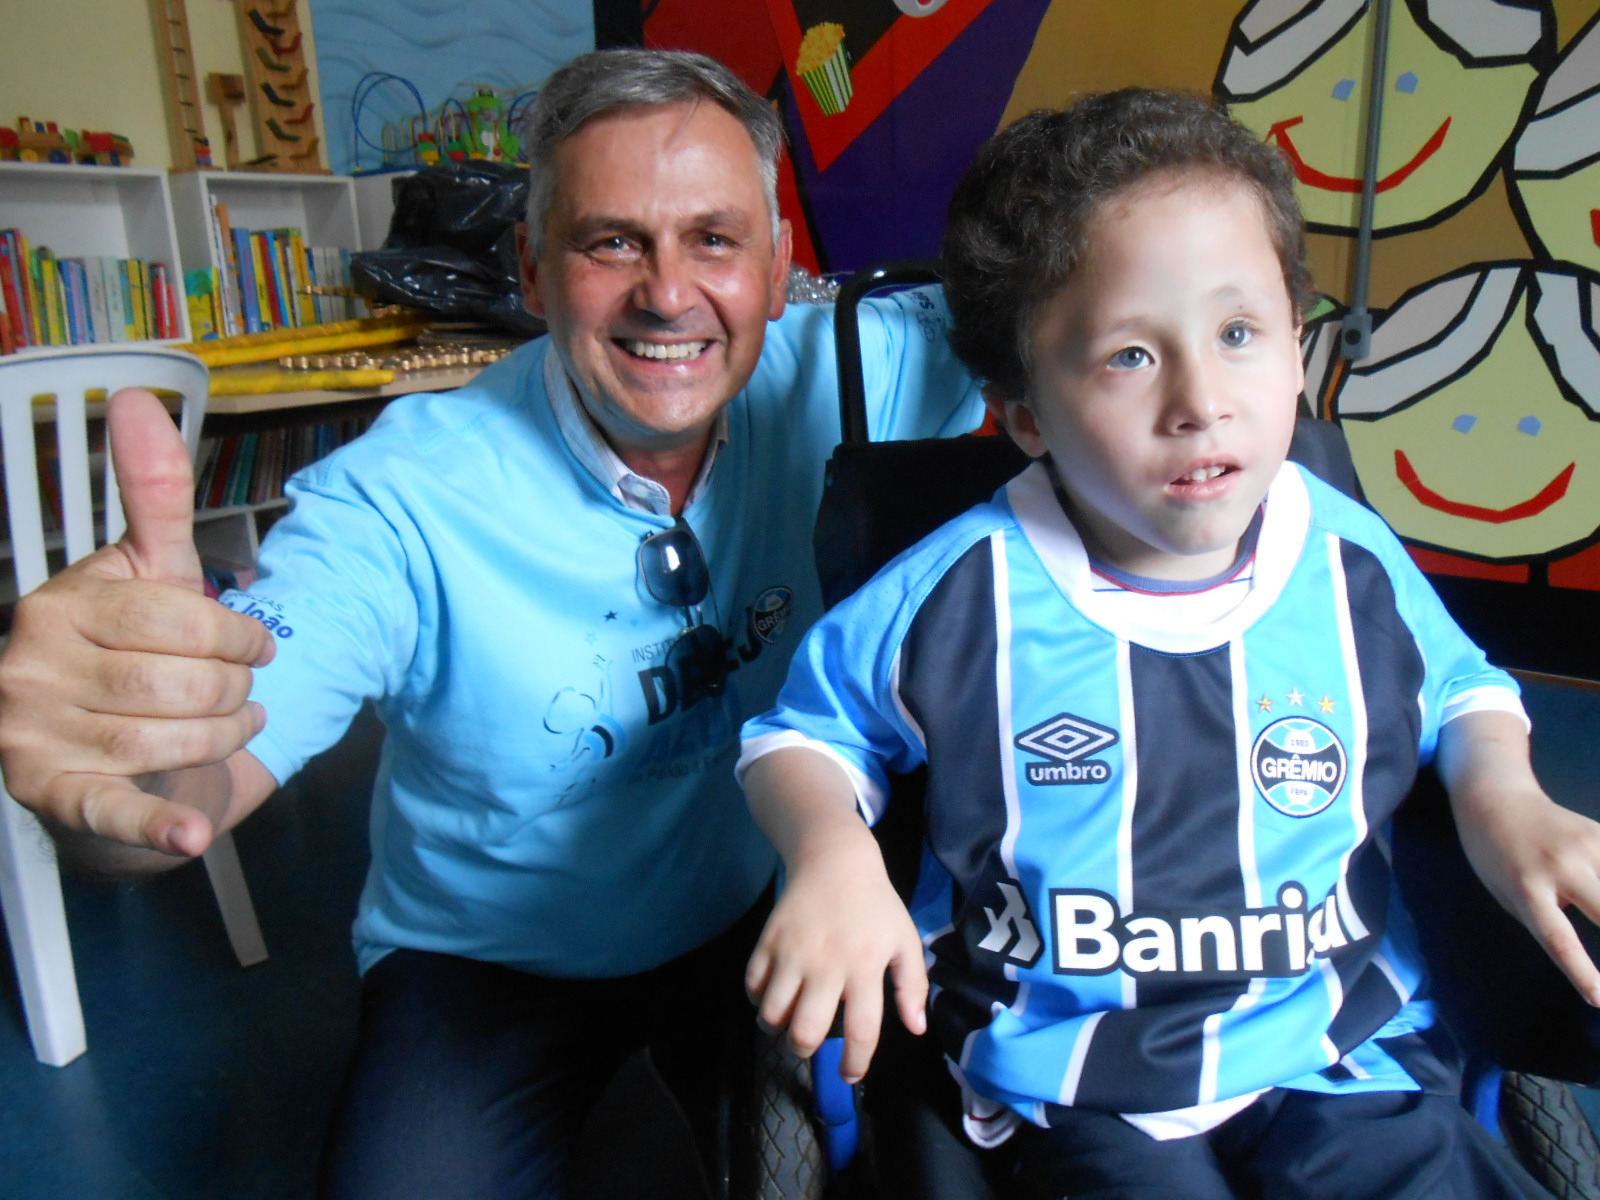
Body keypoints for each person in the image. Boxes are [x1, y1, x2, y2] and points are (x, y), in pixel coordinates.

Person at [0, 49, 983, 1199]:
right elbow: (191, 793)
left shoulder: (855, 371)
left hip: (753, 908)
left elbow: (1096, 315)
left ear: (777, 267)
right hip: (489, 961)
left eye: (714, 239)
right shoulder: (401, 499)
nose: (669, 293)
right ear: (531, 266)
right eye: (610, 241)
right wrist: (123, 755)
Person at [738, 88, 1600, 1199]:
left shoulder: (1347, 559)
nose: (1201, 401)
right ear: (1028, 414)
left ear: (1298, 349)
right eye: (1128, 357)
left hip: (1335, 1049)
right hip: (1070, 1074)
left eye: (1238, 334)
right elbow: (799, 740)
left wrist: (1508, 799)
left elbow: (1461, 692)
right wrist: (829, 852)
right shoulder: (956, 596)